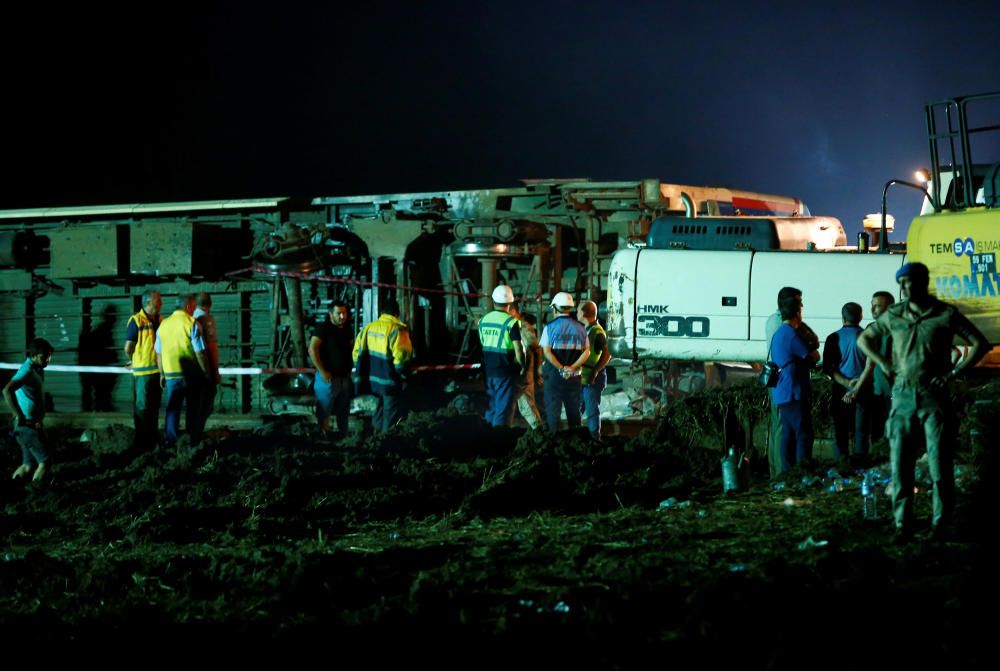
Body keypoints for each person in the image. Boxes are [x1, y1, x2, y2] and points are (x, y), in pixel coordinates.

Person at [857, 262, 988, 542]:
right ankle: (902, 525)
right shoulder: (895, 315)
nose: (905, 288)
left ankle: (940, 525)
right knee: (900, 462)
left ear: (923, 282)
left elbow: (979, 343)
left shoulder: (944, 314)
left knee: (940, 463)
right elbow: (864, 339)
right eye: (901, 283)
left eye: (910, 282)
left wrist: (953, 373)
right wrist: (883, 362)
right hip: (903, 393)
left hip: (933, 395)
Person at [769, 287, 820, 473]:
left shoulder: (779, 332)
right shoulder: (791, 334)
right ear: (798, 311)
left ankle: (787, 472)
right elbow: (812, 357)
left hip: (784, 392)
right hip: (794, 391)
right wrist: (814, 354)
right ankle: (801, 471)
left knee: (788, 435)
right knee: (804, 433)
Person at [155, 294, 211, 446]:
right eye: (193, 306)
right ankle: (191, 439)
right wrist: (206, 372)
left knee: (173, 408)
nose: (194, 309)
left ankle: (170, 440)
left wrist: (162, 374)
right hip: (191, 375)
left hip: (171, 375)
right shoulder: (191, 323)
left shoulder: (163, 325)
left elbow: (158, 353)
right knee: (193, 407)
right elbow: (199, 352)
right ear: (188, 307)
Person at [352, 297, 413, 432]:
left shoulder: (368, 328)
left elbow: (356, 355)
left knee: (379, 410)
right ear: (397, 314)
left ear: (382, 313)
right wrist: (404, 375)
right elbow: (400, 360)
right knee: (390, 415)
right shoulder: (398, 330)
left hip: (372, 382)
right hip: (389, 382)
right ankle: (386, 442)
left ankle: (375, 438)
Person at [822, 302, 869, 460]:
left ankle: (840, 468)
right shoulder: (867, 337)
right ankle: (861, 469)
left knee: (840, 434)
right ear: (861, 317)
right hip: (864, 389)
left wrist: (847, 383)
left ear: (842, 318)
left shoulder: (833, 338)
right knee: (861, 433)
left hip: (841, 391)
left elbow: (829, 368)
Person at [4, 338, 54, 482]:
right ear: (33, 356)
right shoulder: (26, 371)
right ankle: (38, 493)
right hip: (28, 426)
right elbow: (7, 390)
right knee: (45, 462)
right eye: (44, 356)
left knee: (28, 465)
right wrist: (18, 414)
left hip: (27, 426)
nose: (48, 360)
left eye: (50, 356)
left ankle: (12, 488)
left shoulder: (34, 369)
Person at [848, 291, 895, 443]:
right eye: (872, 306)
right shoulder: (872, 329)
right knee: (877, 435)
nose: (873, 309)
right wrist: (857, 388)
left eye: (878, 306)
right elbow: (869, 364)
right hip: (878, 392)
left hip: (895, 392)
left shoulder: (899, 330)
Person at [539, 292, 590, 432]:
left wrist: (561, 368)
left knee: (553, 413)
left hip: (554, 376)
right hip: (573, 376)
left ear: (555, 308)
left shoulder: (549, 328)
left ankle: (553, 442)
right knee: (574, 413)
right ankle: (576, 441)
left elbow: (547, 352)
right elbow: (587, 352)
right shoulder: (581, 328)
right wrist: (571, 367)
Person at [478, 284, 525, 427]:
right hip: (505, 371)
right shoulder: (512, 323)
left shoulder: (483, 320)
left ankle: (487, 436)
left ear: (493, 302)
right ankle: (500, 440)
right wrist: (522, 366)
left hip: (488, 370)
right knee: (503, 410)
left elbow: (483, 343)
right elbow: (518, 350)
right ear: (510, 303)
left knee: (491, 407)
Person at [765, 287, 799, 479]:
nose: (800, 306)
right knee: (781, 428)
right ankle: (780, 474)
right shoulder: (783, 324)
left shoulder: (771, 319)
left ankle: (773, 470)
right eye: (797, 302)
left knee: (775, 426)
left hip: (774, 378)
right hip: (782, 380)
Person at [308, 301, 354, 438]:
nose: (342, 316)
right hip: (327, 378)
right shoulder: (323, 328)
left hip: (344, 377)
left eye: (344, 313)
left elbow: (352, 348)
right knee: (324, 409)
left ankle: (342, 436)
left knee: (343, 409)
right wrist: (322, 371)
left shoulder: (347, 329)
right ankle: (324, 436)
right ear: (330, 314)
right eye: (338, 313)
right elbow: (312, 349)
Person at [124, 290, 163, 448]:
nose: (161, 303)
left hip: (156, 372)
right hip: (143, 373)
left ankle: (151, 438)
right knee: (142, 408)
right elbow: (128, 347)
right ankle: (141, 441)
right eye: (158, 300)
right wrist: (134, 360)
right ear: (148, 303)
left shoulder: (160, 320)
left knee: (153, 408)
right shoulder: (136, 321)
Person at [578, 300, 611, 440]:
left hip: (592, 379)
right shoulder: (589, 330)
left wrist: (596, 371)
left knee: (591, 410)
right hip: (585, 378)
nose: (576, 313)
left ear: (584, 313)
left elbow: (608, 353)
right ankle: (586, 436)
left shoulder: (597, 332)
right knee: (581, 407)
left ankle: (594, 438)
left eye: (578, 310)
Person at [191, 292, 222, 440]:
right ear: (209, 304)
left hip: (191, 370)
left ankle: (193, 434)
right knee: (205, 404)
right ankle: (196, 434)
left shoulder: (189, 318)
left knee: (195, 404)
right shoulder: (206, 319)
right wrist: (214, 371)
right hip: (205, 370)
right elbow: (210, 348)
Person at [79, 304, 118, 411]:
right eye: (114, 317)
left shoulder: (103, 331)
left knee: (98, 393)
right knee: (100, 392)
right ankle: (99, 410)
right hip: (99, 369)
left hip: (98, 369)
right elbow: (104, 351)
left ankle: (96, 410)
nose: (115, 320)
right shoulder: (103, 332)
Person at [512, 310, 544, 429]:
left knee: (525, 402)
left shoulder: (523, 327)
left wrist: (536, 372)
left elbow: (535, 349)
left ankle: (538, 429)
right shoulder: (517, 326)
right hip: (519, 367)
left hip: (523, 368)